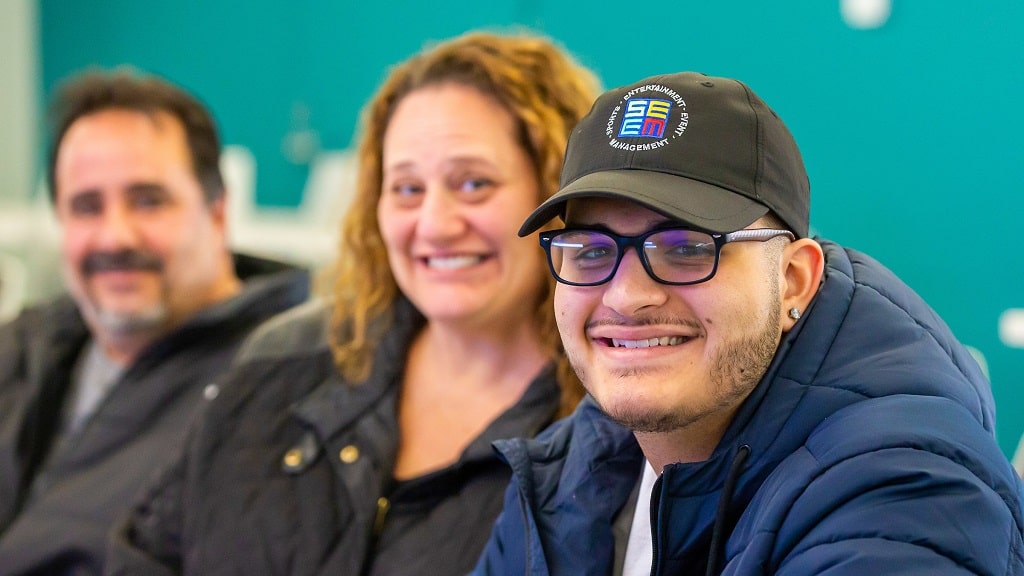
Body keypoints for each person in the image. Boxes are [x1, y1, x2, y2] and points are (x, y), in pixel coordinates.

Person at [474, 71, 1024, 574]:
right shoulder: (568, 470)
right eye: (591, 251)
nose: (627, 295)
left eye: (687, 248)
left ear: (793, 280)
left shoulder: (903, 492)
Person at [105, 31, 599, 575]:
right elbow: (146, 552)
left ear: (557, 199)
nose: (434, 224)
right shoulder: (288, 359)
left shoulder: (604, 429)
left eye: (474, 183)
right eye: (407, 189)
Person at [0, 69, 310, 575]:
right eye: (86, 207)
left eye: (148, 201)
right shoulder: (27, 349)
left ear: (217, 212)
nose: (114, 236)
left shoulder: (277, 384)